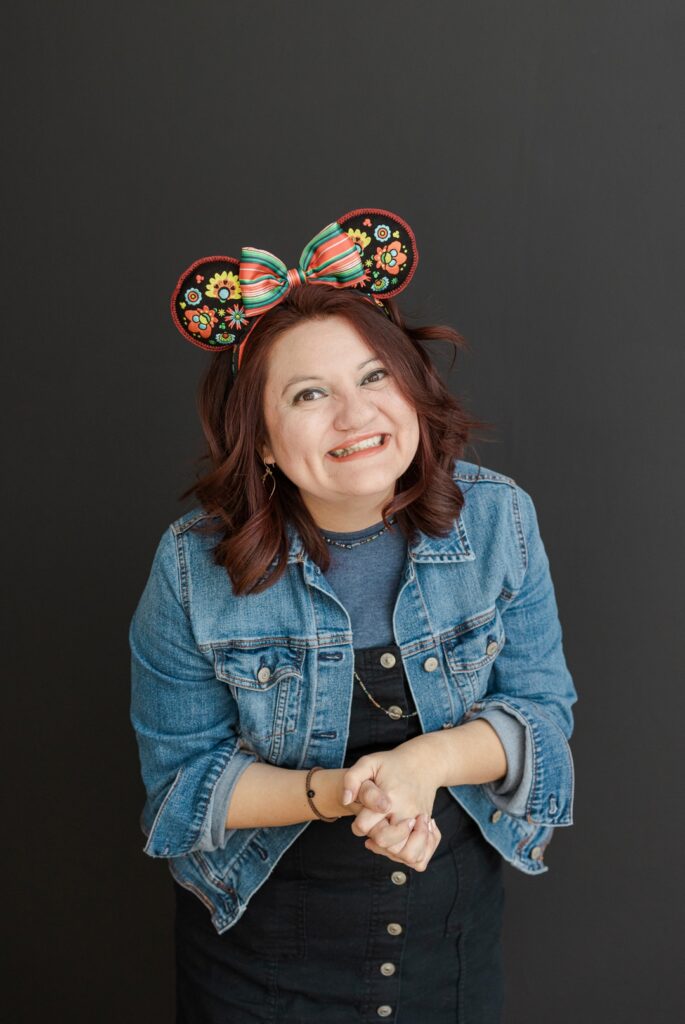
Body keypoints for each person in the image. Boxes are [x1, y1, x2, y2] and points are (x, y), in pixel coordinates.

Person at [129, 208, 577, 1023]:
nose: (355, 415)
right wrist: (343, 792)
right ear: (261, 440)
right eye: (309, 393)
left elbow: (543, 721)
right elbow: (179, 793)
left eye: (375, 377)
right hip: (260, 961)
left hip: (449, 947)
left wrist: (424, 765)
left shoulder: (497, 521)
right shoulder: (193, 567)